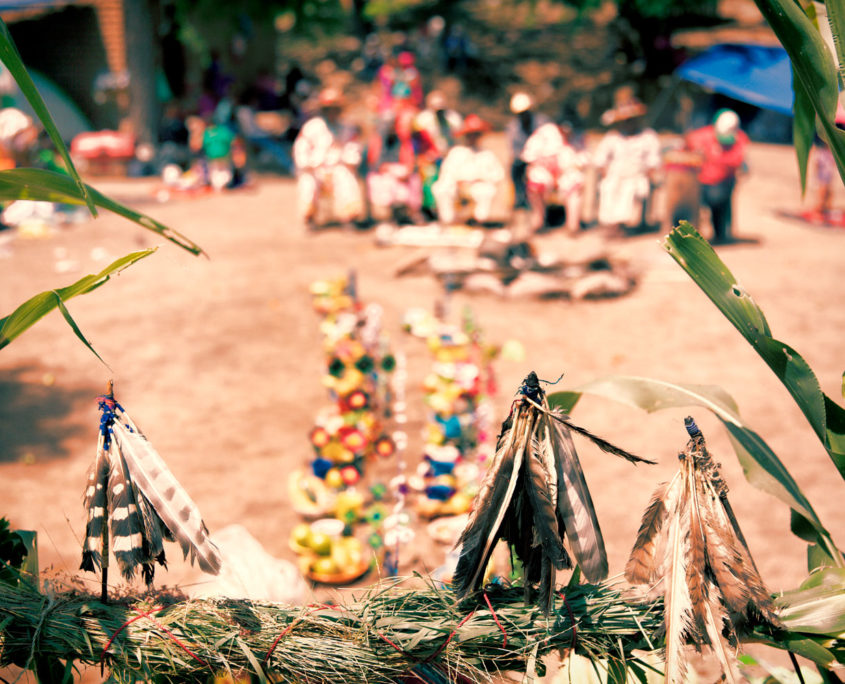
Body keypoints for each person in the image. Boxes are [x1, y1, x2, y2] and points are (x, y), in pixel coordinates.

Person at [293, 88, 364, 228]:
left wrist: (348, 161)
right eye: (328, 109)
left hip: (339, 167)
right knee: (308, 183)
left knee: (347, 180)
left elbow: (353, 149)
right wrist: (308, 164)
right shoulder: (312, 127)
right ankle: (309, 217)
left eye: (335, 109)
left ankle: (349, 218)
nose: (332, 113)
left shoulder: (347, 127)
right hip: (315, 168)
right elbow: (300, 148)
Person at [593, 95, 661, 230]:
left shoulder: (648, 136)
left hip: (637, 175)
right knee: (608, 188)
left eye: (631, 120)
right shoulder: (613, 136)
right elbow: (600, 158)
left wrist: (649, 173)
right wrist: (604, 171)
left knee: (630, 191)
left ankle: (625, 225)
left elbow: (654, 160)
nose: (628, 123)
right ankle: (610, 225)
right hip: (615, 174)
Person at [685, 108, 748, 243]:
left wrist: (712, 157)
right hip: (702, 180)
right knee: (695, 209)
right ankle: (693, 237)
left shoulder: (740, 140)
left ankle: (720, 234)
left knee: (719, 207)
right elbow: (688, 142)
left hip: (723, 182)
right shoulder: (703, 135)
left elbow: (736, 160)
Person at [432, 114, 504, 225]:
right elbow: (447, 173)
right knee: (441, 188)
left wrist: (481, 180)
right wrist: (458, 184)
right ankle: (448, 221)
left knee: (486, 191)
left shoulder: (487, 155)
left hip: (477, 186)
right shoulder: (456, 152)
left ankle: (478, 222)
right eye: (470, 135)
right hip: (457, 186)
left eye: (476, 135)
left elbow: (498, 175)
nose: (473, 138)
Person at [522, 119, 586, 233]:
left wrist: (572, 165)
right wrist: (543, 162)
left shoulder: (579, 135)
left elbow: (584, 158)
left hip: (566, 172)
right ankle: (538, 221)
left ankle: (573, 226)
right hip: (544, 170)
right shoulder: (544, 132)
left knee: (576, 184)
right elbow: (528, 155)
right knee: (536, 183)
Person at [414, 91, 462, 218]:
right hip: (429, 157)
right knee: (429, 182)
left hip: (449, 156)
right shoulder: (422, 120)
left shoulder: (453, 119)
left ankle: (452, 212)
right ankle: (429, 211)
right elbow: (418, 140)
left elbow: (459, 138)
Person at [506, 92, 549, 211]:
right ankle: (520, 199)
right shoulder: (513, 127)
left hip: (544, 159)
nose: (523, 115)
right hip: (524, 160)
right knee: (515, 167)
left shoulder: (542, 123)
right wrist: (527, 160)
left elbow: (550, 143)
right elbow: (514, 151)